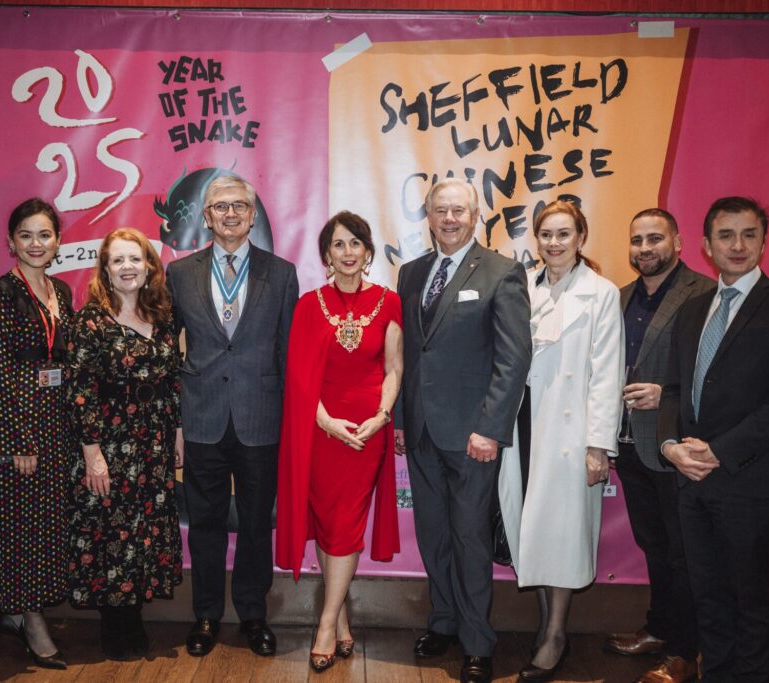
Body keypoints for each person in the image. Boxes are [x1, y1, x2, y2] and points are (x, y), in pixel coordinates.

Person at [658, 197, 769, 682]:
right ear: (707, 246)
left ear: (764, 242)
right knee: (707, 598)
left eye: (749, 234)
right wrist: (669, 446)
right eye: (726, 235)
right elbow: (672, 391)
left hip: (747, 482)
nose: (738, 245)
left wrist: (718, 451)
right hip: (691, 481)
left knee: (749, 603)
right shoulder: (692, 310)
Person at [396, 178, 532, 683]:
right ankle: (444, 622)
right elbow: (408, 354)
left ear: (475, 216)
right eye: (441, 210)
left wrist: (491, 428)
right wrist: (401, 420)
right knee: (433, 535)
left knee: (470, 539)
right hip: (422, 430)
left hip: (474, 436)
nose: (449, 219)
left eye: (459, 210)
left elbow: (513, 360)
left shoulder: (502, 272)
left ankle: (478, 642)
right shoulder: (411, 273)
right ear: (428, 217)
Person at [166, 175, 298, 658]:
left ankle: (253, 614)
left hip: (261, 417)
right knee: (205, 523)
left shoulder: (281, 273)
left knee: (257, 522)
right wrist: (175, 422)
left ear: (253, 213)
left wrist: (290, 421)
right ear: (206, 217)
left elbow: (288, 354)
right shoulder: (180, 273)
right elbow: (166, 350)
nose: (230, 214)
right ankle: (206, 615)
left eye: (239, 205)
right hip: (201, 416)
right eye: (220, 206)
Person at [500, 200, 624, 682]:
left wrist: (598, 445)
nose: (554, 243)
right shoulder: (521, 286)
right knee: (532, 528)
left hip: (570, 431)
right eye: (546, 234)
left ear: (581, 238)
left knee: (564, 533)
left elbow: (607, 374)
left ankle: (555, 634)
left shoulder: (601, 293)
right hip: (523, 424)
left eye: (563, 234)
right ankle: (543, 623)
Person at [276, 212, 403, 672]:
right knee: (329, 524)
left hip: (367, 432)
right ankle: (342, 617)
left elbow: (394, 369)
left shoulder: (389, 302)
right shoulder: (309, 305)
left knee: (346, 525)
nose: (347, 252)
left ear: (368, 251)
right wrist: (326, 421)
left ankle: (326, 624)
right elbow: (297, 376)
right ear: (326, 255)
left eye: (355, 243)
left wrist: (381, 417)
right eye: (338, 244)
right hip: (320, 428)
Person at [604, 209, 713, 683]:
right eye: (637, 240)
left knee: (683, 551)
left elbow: (715, 369)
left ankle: (686, 651)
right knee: (654, 543)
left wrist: (667, 392)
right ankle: (660, 628)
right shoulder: (620, 297)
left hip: (676, 444)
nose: (645, 248)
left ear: (679, 242)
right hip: (629, 443)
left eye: (655, 238)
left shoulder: (704, 293)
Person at [65, 227, 184, 661]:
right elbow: (79, 391)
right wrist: (92, 455)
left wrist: (177, 431)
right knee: (110, 533)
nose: (127, 267)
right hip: (109, 449)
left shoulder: (163, 317)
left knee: (143, 532)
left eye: (135, 258)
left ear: (149, 266)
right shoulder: (89, 322)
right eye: (118, 260)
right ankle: (116, 625)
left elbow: (173, 381)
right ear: (105, 270)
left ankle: (133, 615)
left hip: (153, 446)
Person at [0, 198, 74, 669]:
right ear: (11, 242)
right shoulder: (1, 295)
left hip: (55, 426)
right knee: (21, 528)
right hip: (20, 431)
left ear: (58, 241)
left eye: (45, 235)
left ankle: (20, 612)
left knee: (45, 525)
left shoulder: (62, 291)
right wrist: (20, 441)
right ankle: (31, 622)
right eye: (26, 235)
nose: (36, 244)